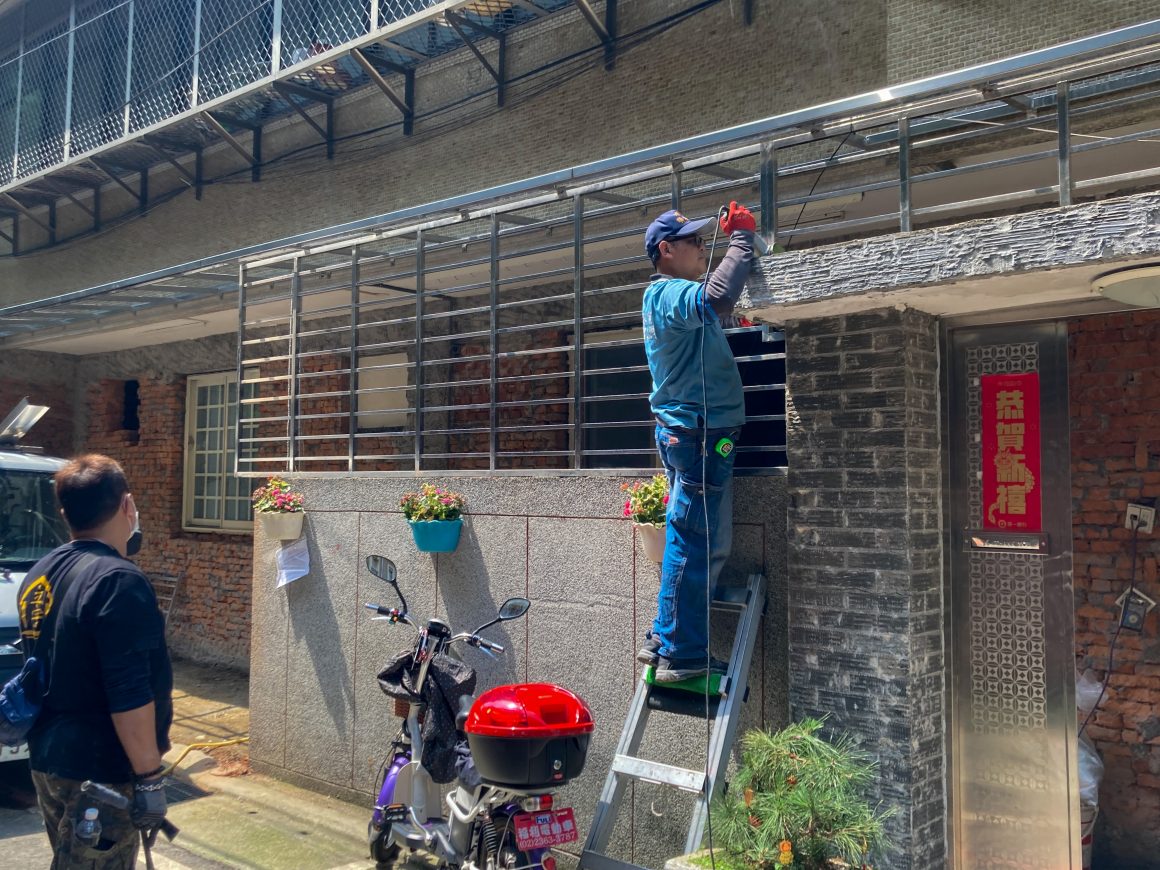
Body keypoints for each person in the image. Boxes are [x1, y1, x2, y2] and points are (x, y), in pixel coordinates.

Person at [18, 454, 171, 869]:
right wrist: (150, 777)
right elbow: (129, 691)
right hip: (101, 770)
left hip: (49, 759)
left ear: (65, 513)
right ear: (127, 505)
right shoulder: (118, 580)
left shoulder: (41, 573)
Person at [637, 202, 757, 682]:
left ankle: (664, 636)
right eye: (695, 242)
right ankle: (681, 653)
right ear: (666, 250)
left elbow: (716, 308)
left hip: (694, 432)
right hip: (700, 434)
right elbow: (719, 296)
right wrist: (742, 240)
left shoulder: (671, 297)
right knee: (695, 541)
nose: (703, 248)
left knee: (695, 537)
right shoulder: (668, 293)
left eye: (706, 241)